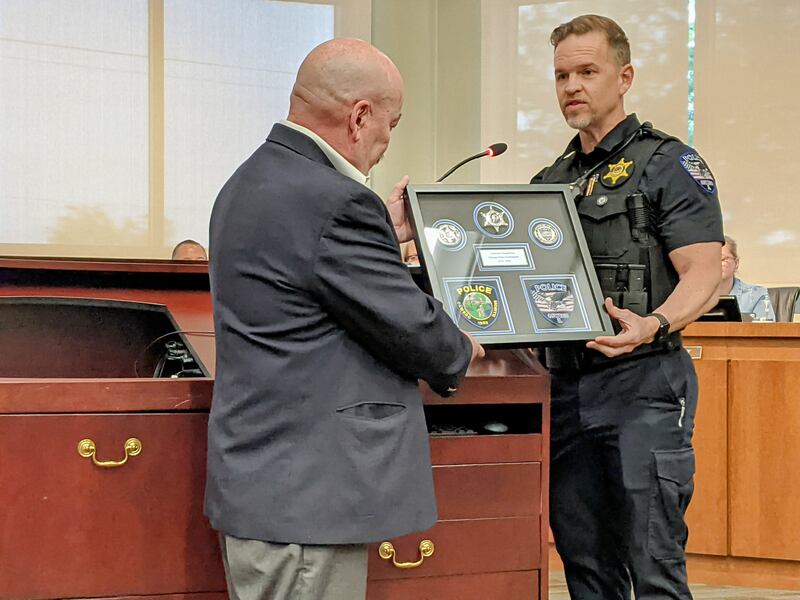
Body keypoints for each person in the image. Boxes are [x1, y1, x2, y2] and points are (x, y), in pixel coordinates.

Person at [205, 38, 483, 600]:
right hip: (308, 502)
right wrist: (462, 347)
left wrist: (380, 228)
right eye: (392, 123)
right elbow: (411, 328)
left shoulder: (250, 181)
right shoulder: (334, 203)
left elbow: (312, 274)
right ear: (360, 117)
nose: (386, 140)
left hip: (268, 486)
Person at [530, 15, 724, 600]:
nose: (572, 86)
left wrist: (655, 323)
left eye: (588, 71)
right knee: (585, 566)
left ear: (625, 76)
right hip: (564, 390)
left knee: (653, 562)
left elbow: (704, 270)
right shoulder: (547, 181)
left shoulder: (668, 163)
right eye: (563, 74)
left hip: (643, 383)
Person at [719, 235, 775, 321]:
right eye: (711, 260)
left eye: (723, 259)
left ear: (736, 263)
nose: (716, 264)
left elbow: (765, 331)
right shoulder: (694, 296)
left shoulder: (757, 295)